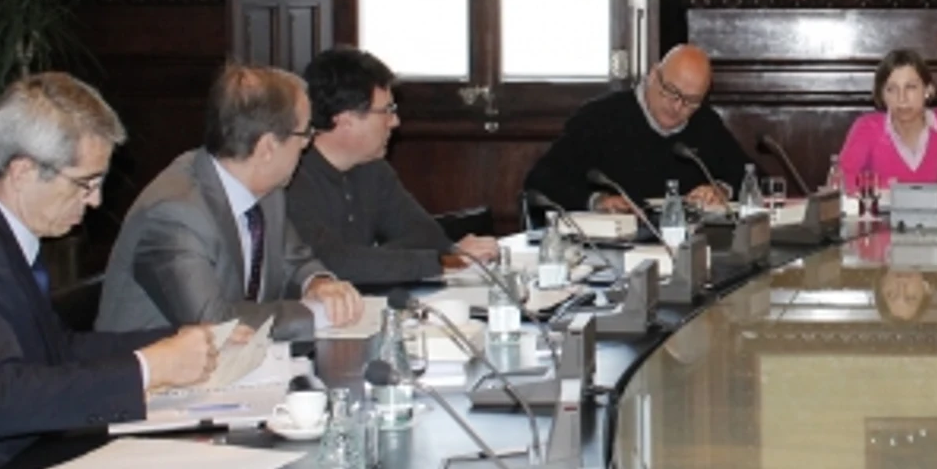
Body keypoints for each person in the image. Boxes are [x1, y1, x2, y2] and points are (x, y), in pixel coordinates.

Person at [0, 74, 219, 469]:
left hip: (21, 463)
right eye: (85, 183)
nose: (96, 200)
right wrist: (150, 369)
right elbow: (0, 401)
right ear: (23, 171)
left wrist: (176, 341)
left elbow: (56, 350)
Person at [96, 65, 365, 341]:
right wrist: (317, 315)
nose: (308, 144)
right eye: (304, 133)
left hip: (231, 371)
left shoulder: (268, 191)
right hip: (155, 378)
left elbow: (295, 259)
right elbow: (214, 322)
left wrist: (318, 283)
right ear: (267, 148)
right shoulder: (174, 212)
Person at [286, 48, 500, 286]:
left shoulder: (372, 168)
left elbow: (427, 236)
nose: (395, 122)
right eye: (386, 111)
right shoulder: (291, 176)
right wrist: (440, 261)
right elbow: (331, 264)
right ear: (345, 120)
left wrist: (372, 260)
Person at [524, 44, 755, 212]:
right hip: (612, 254)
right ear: (653, 75)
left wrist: (721, 190)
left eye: (691, 101)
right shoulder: (599, 118)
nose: (677, 106)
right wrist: (597, 201)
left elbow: (752, 176)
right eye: (672, 92)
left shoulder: (704, 123)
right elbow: (542, 181)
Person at [837, 49, 937, 208]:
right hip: (881, 229)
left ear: (928, 90)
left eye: (911, 87)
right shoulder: (867, 127)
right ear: (881, 95)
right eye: (892, 89)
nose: (902, 99)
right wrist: (882, 191)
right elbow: (840, 182)